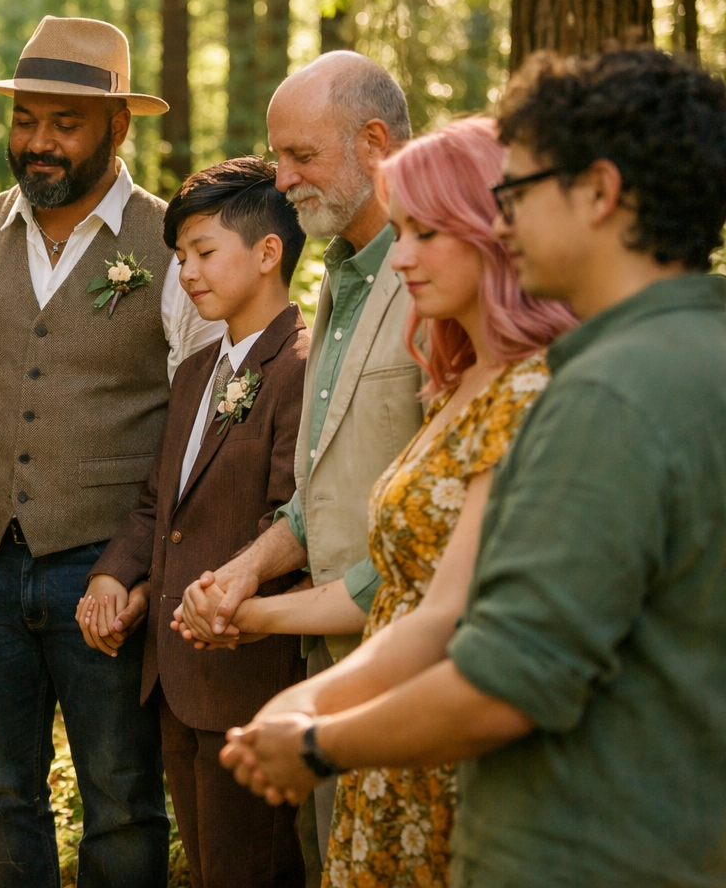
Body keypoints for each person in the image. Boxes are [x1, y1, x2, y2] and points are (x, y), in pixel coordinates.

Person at [221, 48, 726, 888]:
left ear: (598, 193)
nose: (504, 222)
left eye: (519, 193)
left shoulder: (600, 396)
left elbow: (511, 675)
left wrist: (316, 744)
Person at [0, 15, 220, 888]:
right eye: (26, 119)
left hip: (107, 571)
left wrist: (140, 567)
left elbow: (198, 426)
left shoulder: (175, 246)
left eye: (64, 123)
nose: (39, 142)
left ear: (118, 127)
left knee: (123, 796)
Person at [180, 119, 573, 888]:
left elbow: (455, 619)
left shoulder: (534, 392)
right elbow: (403, 588)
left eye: (426, 232)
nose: (404, 256)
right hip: (384, 735)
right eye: (402, 231)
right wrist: (261, 623)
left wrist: (319, 723)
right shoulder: (462, 384)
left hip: (446, 743)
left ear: (494, 234)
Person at [173, 51, 420, 874]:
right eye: (279, 156)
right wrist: (246, 571)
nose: (283, 178)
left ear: (376, 143)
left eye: (301, 157)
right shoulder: (338, 283)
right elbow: (323, 498)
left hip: (409, 666)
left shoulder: (438, 284)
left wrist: (265, 614)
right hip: (327, 663)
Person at [76, 156, 310, 888]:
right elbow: (159, 505)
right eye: (179, 258)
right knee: (209, 868)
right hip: (174, 675)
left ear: (268, 252)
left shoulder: (300, 366)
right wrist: (117, 574)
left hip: (251, 673)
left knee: (256, 869)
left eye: (204, 252)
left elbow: (293, 517)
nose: (187, 273)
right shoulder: (197, 370)